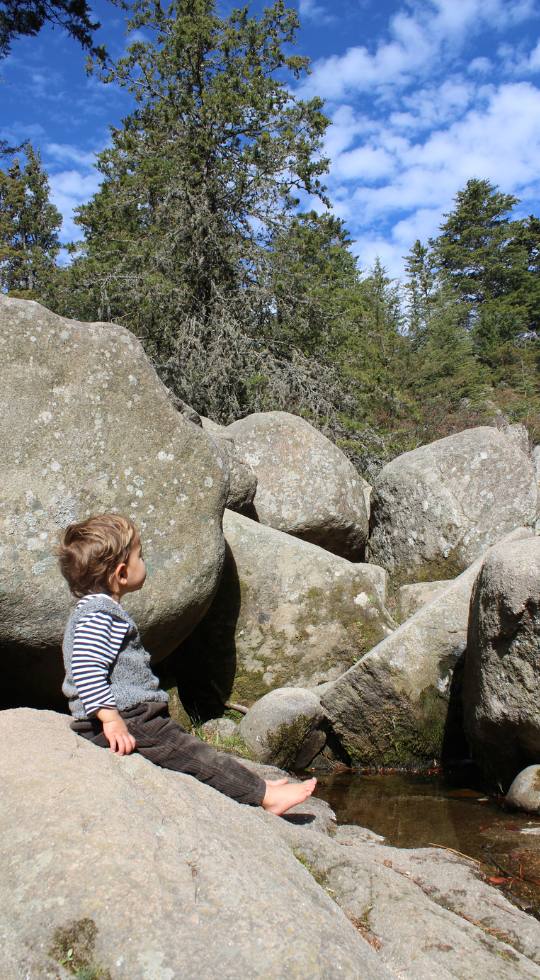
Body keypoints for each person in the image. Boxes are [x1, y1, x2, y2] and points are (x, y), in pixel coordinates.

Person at [58, 513, 316, 816]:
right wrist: (111, 720)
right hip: (128, 718)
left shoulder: (94, 611)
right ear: (122, 573)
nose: (146, 562)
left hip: (132, 714)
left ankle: (260, 786)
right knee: (195, 755)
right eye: (141, 555)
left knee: (191, 751)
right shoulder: (99, 616)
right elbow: (87, 669)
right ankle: (264, 796)